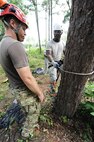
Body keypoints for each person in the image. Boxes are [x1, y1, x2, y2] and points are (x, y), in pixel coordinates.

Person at [0, 0, 45, 140]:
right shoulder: (15, 45)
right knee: (34, 110)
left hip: (14, 88)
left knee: (25, 108)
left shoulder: (3, 42)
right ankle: (26, 134)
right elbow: (27, 78)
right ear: (13, 23)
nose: (25, 33)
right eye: (23, 28)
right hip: (22, 89)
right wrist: (39, 93)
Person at [45, 23, 65, 95]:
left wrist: (63, 61)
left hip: (59, 62)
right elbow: (48, 54)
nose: (56, 33)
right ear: (53, 32)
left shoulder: (63, 43)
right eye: (55, 31)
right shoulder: (50, 43)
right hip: (52, 63)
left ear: (61, 32)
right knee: (53, 78)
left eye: (58, 31)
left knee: (60, 76)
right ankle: (52, 90)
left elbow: (66, 53)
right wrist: (53, 62)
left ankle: (59, 89)